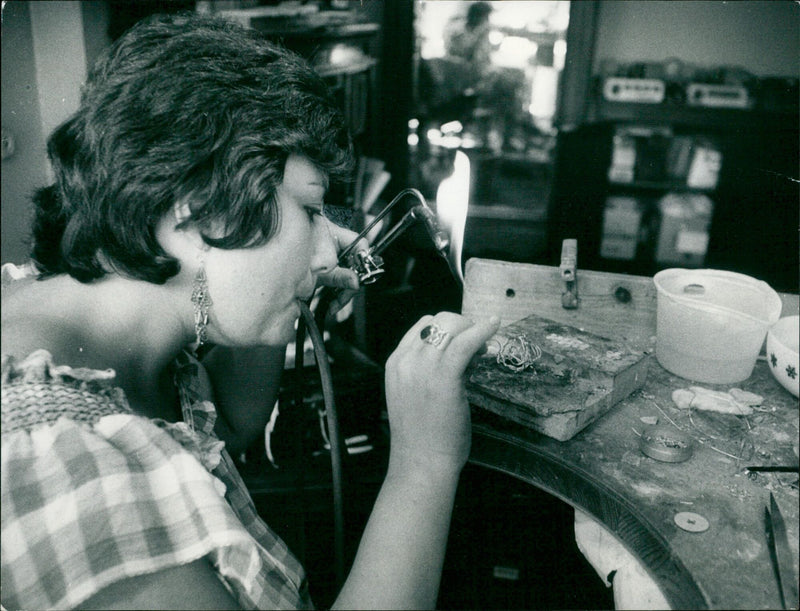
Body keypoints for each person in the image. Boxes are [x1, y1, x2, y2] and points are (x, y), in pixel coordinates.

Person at [0, 12, 499, 611]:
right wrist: (425, 461)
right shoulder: (65, 473)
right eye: (311, 211)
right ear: (200, 215)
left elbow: (228, 426)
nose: (327, 247)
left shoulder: (104, 312)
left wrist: (281, 290)